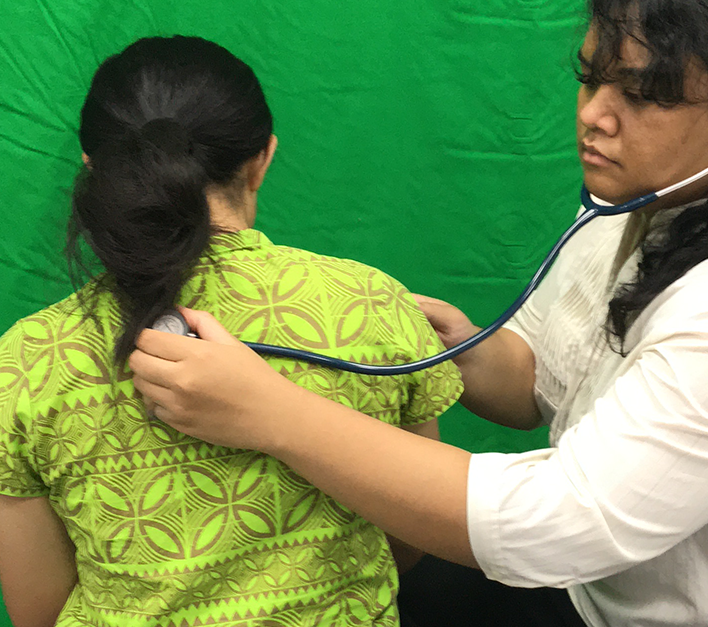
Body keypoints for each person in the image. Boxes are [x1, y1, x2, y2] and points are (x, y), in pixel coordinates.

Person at [128, 0, 708, 627]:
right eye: (590, 80)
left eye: (640, 94)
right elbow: (538, 376)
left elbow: (557, 524)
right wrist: (438, 343)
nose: (594, 118)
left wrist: (271, 415)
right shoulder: (652, 201)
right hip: (601, 590)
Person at [0, 36, 462, 627]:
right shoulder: (373, 304)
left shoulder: (26, 357)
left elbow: (38, 610)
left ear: (94, 168)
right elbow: (409, 533)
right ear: (261, 159)